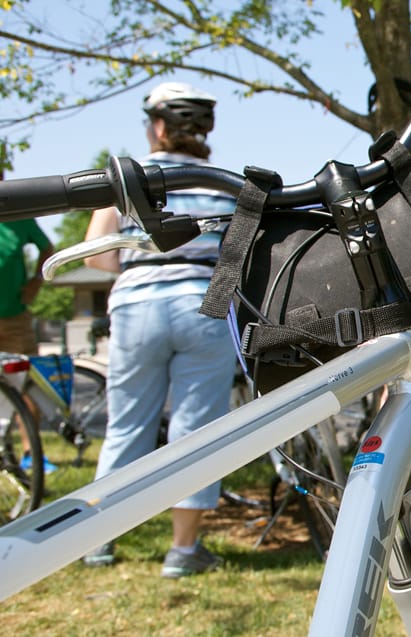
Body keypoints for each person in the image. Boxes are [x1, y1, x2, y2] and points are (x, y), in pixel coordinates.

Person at [81, 82, 236, 578]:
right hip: (202, 306)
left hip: (136, 304)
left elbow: (100, 256)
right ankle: (183, 550)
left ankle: (97, 541)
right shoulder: (220, 182)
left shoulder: (126, 178)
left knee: (127, 423)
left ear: (159, 126)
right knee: (196, 429)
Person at [0, 216, 56, 473]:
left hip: (15, 317)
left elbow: (47, 247)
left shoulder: (18, 213)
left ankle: (31, 454)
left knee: (25, 384)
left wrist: (36, 281)